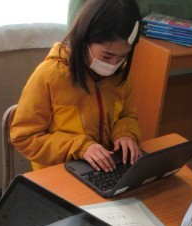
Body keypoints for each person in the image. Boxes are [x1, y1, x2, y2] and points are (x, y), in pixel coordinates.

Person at [10, 0, 142, 172]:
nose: (114, 64)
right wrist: (79, 146)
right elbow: (24, 137)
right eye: (107, 56)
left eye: (123, 56)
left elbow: (127, 115)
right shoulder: (50, 75)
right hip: (59, 171)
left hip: (105, 167)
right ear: (84, 39)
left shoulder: (121, 75)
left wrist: (125, 133)